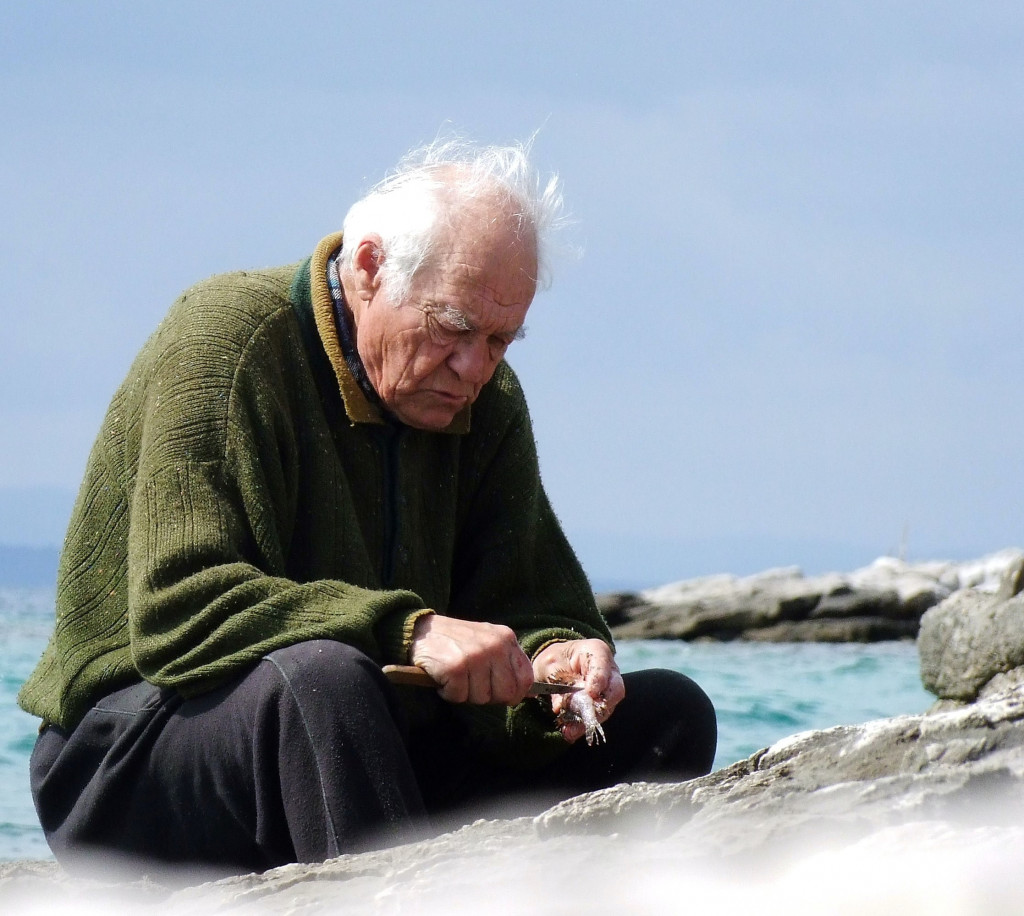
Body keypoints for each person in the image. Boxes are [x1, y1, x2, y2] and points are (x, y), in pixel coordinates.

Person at [19, 137, 716, 874]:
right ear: (369, 268)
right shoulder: (226, 342)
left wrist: (561, 658)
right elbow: (177, 610)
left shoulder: (485, 401)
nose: (474, 367)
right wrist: (408, 633)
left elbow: (531, 599)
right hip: (136, 759)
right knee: (322, 679)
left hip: (371, 749)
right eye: (451, 328)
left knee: (669, 712)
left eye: (500, 340)